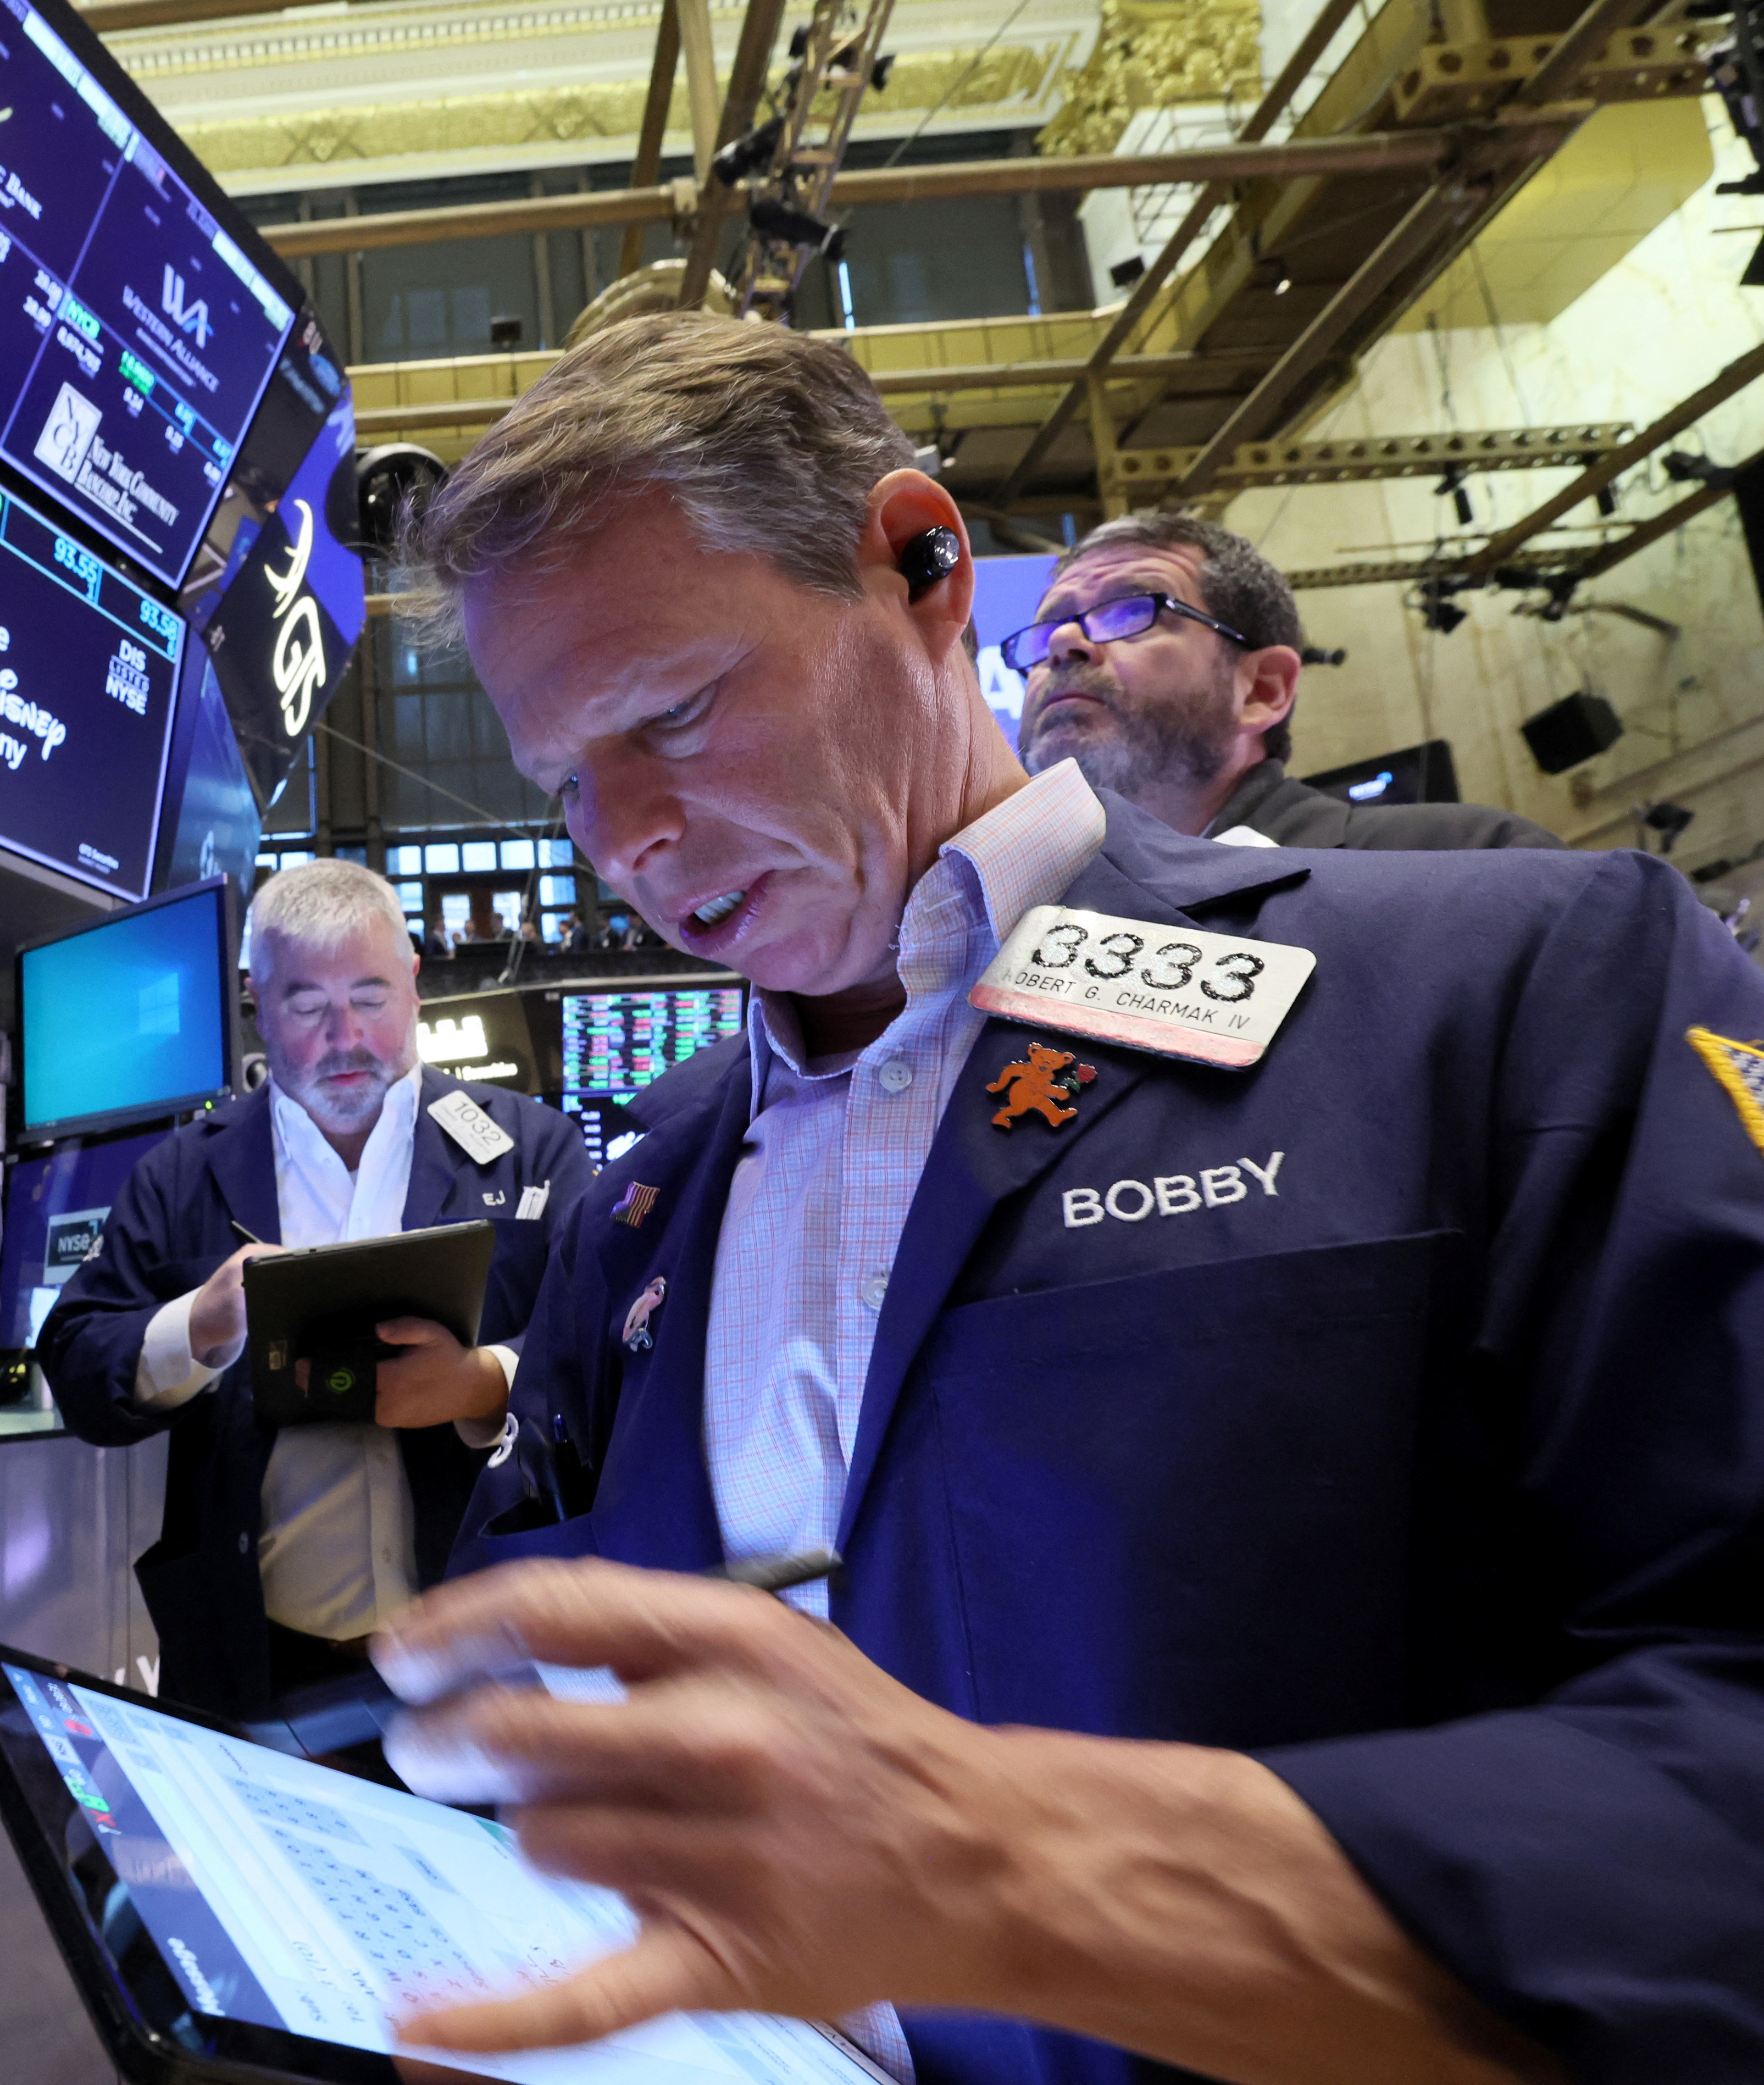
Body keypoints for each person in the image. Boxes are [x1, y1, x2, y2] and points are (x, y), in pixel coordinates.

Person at [376, 311, 1764, 2083]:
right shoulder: (643, 1187)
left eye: (675, 711)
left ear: (921, 564)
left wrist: (1022, 1869)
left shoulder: (1501, 993)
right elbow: (556, 1646)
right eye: (567, 778)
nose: (623, 834)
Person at [40, 861, 593, 1716]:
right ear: (258, 1002)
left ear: (413, 983)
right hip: (255, 1666)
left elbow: (606, 1361)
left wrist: (480, 1382)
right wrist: (199, 1324)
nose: (345, 1036)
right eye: (306, 1006)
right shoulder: (186, 1172)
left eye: (369, 997)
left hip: (488, 1660)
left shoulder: (529, 1148)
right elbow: (76, 1361)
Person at [1011, 510, 1560, 849]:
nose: (1063, 642)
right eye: (1050, 624)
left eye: (1130, 611)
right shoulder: (1014, 926)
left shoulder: (1468, 863)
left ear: (1261, 689)